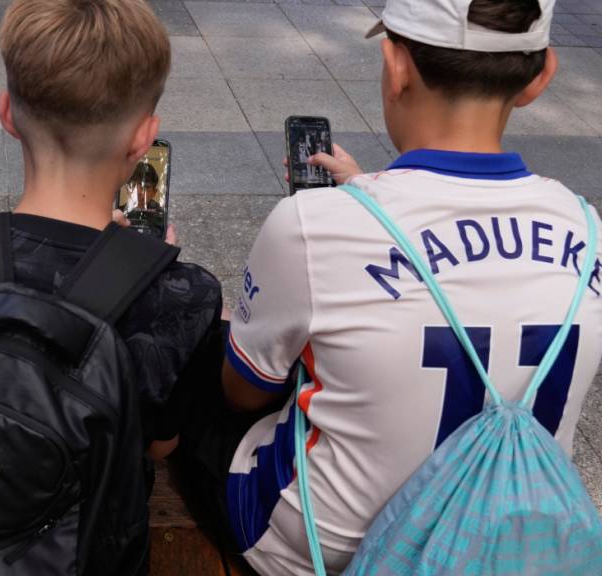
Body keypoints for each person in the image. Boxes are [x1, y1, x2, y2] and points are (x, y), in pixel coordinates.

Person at [182, 0, 602, 573]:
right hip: (508, 537)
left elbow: (243, 395)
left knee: (211, 365)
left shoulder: (316, 224)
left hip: (320, 549)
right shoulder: (588, 226)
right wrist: (364, 188)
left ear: (396, 64)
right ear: (541, 76)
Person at [0, 0, 223, 462]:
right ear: (143, 137)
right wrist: (139, 266)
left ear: (7, 114)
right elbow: (158, 445)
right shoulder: (184, 295)